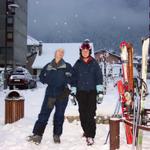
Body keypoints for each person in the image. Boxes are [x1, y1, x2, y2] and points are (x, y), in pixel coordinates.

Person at [27, 48, 72, 144]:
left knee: (59, 115)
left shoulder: (67, 66)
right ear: (55, 53)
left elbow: (73, 78)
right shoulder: (48, 66)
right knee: (44, 114)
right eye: (59, 52)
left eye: (62, 52)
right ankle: (38, 135)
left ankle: (57, 135)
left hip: (62, 95)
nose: (61, 53)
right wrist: (47, 81)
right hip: (50, 94)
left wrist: (68, 84)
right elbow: (41, 76)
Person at [71, 39, 104, 146]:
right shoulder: (77, 64)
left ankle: (90, 135)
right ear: (81, 52)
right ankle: (86, 131)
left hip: (92, 92)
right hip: (81, 93)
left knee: (91, 114)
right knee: (82, 114)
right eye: (83, 51)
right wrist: (73, 92)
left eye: (87, 50)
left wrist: (99, 92)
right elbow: (73, 79)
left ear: (89, 51)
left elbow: (99, 77)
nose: (85, 52)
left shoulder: (94, 63)